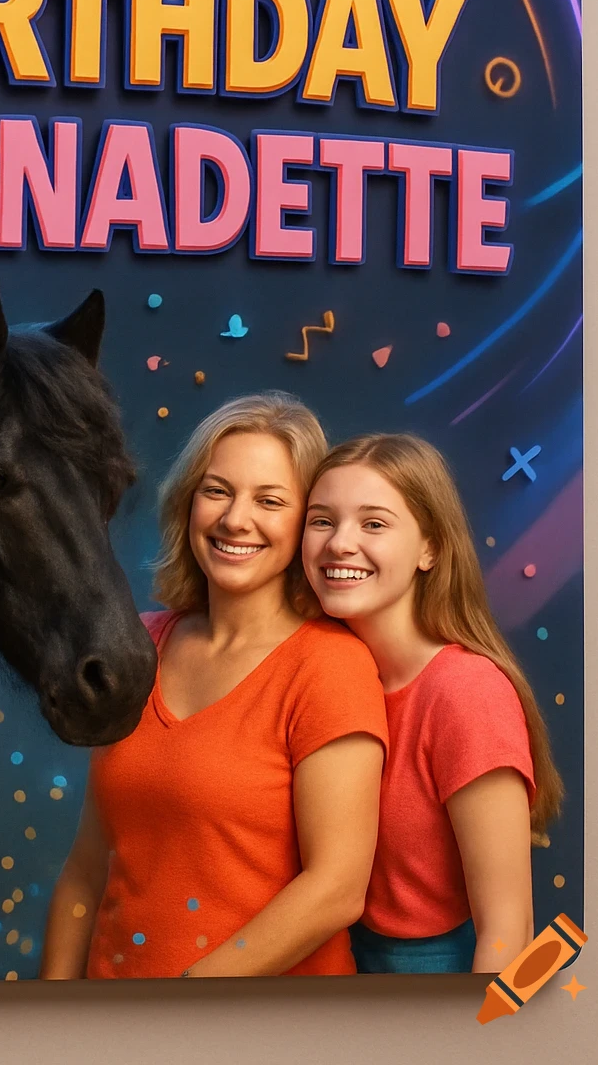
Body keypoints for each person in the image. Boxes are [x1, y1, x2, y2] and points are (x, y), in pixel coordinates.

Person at [40, 393, 388, 980]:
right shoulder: (138, 646)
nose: (234, 519)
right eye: (217, 490)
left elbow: (336, 890)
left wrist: (188, 999)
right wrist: (50, 1011)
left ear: (307, 523)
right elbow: (88, 866)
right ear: (187, 503)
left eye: (270, 500)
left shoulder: (331, 667)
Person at [301, 433, 563, 975]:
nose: (339, 544)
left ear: (430, 548)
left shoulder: (466, 692)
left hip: (439, 988)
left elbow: (508, 933)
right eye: (322, 520)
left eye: (373, 523)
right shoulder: (328, 674)